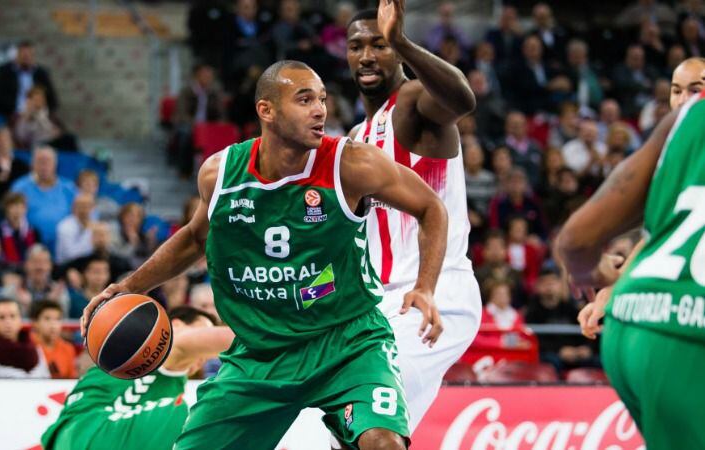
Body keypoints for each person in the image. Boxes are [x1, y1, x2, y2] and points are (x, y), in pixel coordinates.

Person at [82, 59, 449, 449]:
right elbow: (193, 239)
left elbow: (431, 208)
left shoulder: (352, 163)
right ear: (266, 110)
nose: (320, 110)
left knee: (383, 442)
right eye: (304, 99)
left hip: (347, 341)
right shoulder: (220, 174)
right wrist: (128, 287)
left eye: (322, 99)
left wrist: (425, 287)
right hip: (261, 352)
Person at [346, 2, 481, 431]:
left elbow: (461, 98)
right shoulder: (355, 137)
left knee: (367, 406)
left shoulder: (413, 104)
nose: (366, 55)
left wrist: (403, 41)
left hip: (434, 292)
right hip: (380, 302)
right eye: (356, 46)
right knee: (351, 428)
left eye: (379, 45)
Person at [558, 88, 705, 448]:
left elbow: (575, 240)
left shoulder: (686, 118)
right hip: (688, 333)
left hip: (629, 322)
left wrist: (602, 279)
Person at [42, 306, 234, 450]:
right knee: (205, 411)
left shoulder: (139, 364)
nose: (206, 354)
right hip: (93, 429)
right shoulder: (161, 343)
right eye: (204, 329)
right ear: (175, 325)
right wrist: (260, 335)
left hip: (68, 437)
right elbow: (233, 339)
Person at [11, 146, 78, 250]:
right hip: (27, 245)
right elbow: (10, 216)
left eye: (48, 161)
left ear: (55, 164)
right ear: (32, 164)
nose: (44, 165)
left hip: (63, 245)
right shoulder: (19, 187)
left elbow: (86, 213)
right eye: (40, 161)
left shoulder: (69, 188)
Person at [0, 298, 50, 378]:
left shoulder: (36, 348)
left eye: (13, 316)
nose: (8, 322)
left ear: (20, 320)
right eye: (1, 317)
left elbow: (47, 380)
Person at [0, 40, 59, 117]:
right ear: (17, 55)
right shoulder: (4, 72)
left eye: (29, 55)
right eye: (23, 55)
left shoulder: (41, 73)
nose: (26, 58)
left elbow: (51, 98)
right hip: (11, 115)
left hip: (37, 115)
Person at [30, 300, 77, 379]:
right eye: (47, 319)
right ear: (35, 322)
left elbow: (71, 381)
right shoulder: (26, 345)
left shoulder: (68, 349)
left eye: (57, 319)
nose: (53, 325)